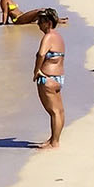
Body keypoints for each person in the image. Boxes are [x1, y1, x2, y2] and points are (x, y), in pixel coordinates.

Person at [32, 9, 67, 148]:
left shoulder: (48, 37)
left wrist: (36, 71)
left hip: (47, 77)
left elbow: (41, 54)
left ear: (48, 23)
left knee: (54, 112)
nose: (38, 24)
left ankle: (54, 142)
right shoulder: (58, 37)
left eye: (40, 22)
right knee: (59, 111)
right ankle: (53, 138)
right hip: (58, 78)